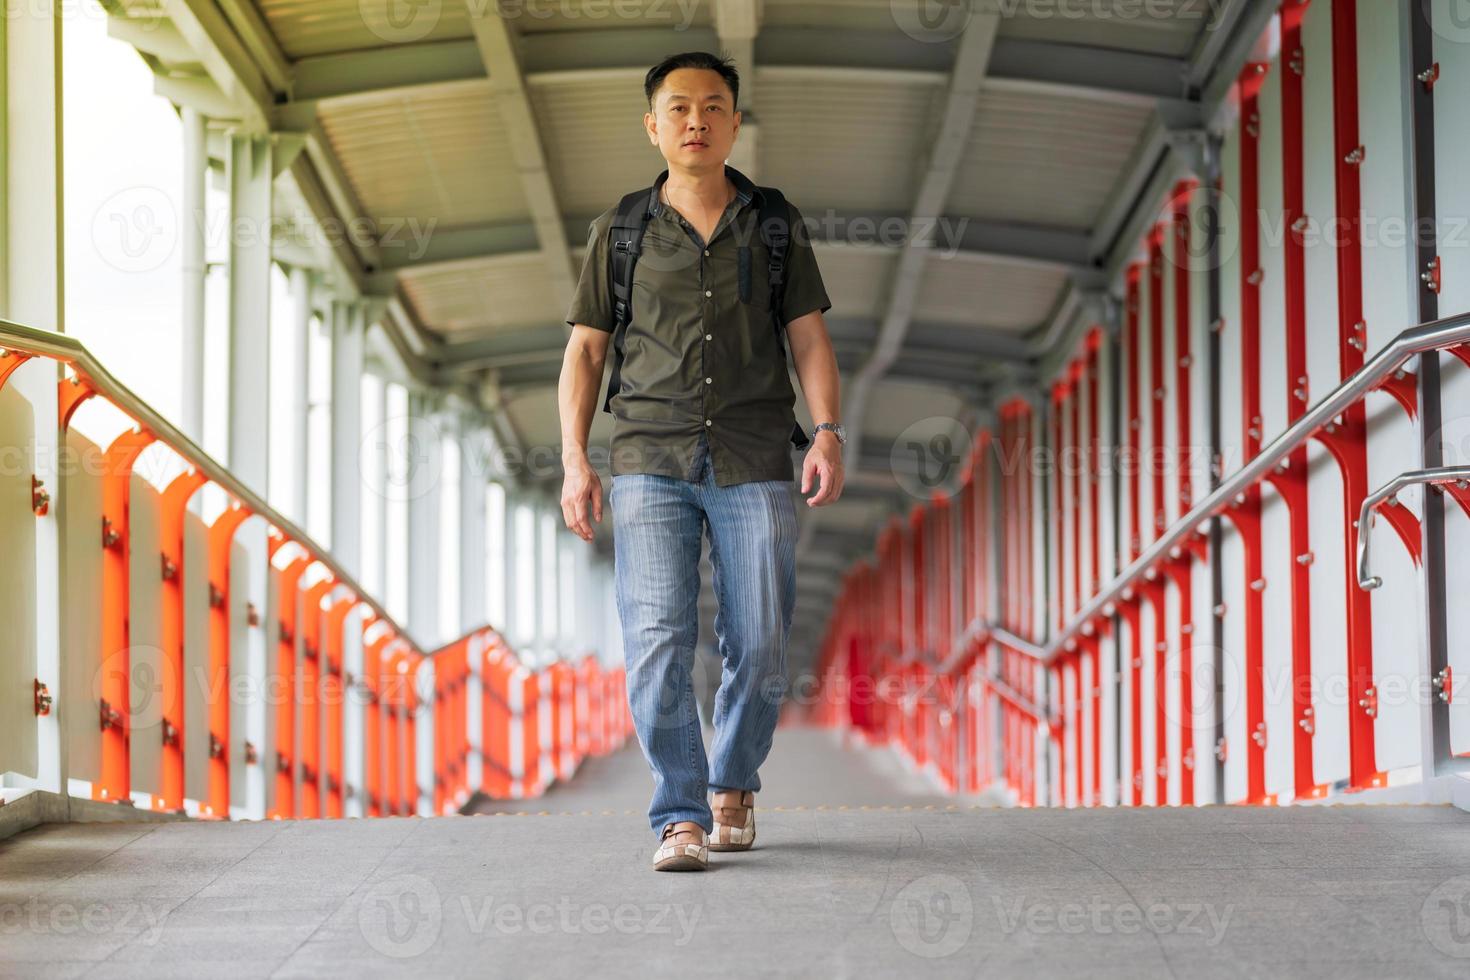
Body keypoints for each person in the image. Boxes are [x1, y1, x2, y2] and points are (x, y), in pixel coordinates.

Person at [557, 51, 846, 871]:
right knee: (656, 638)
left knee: (758, 640)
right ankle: (679, 815)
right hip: (648, 456)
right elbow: (584, 355)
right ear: (653, 127)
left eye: (713, 107)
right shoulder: (619, 230)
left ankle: (734, 781)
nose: (695, 120)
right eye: (678, 108)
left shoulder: (777, 223)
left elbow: (810, 340)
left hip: (755, 455)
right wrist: (577, 462)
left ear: (734, 123)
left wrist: (828, 432)